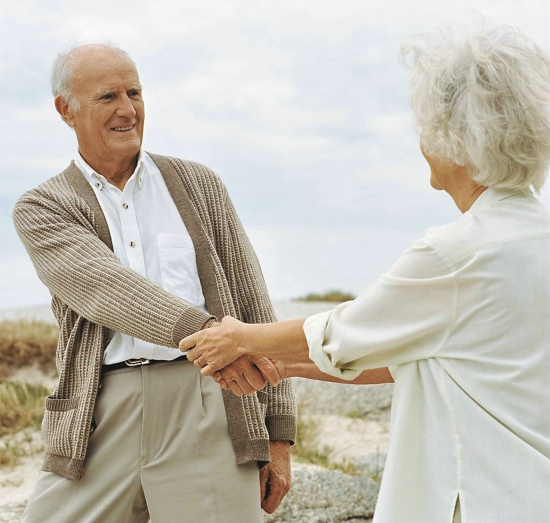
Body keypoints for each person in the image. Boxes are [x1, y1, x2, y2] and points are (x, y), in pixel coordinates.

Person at [180, 24, 550, 523]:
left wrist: (239, 338)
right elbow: (416, 360)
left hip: (474, 500)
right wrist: (287, 367)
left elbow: (342, 333)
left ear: (456, 139)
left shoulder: (454, 255)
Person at [13, 43, 295, 523]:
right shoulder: (43, 207)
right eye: (108, 97)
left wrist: (279, 432)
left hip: (208, 400)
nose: (128, 109)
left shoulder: (199, 184)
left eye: (135, 92)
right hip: (101, 410)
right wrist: (214, 336)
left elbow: (252, 302)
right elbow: (104, 287)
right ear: (66, 110)